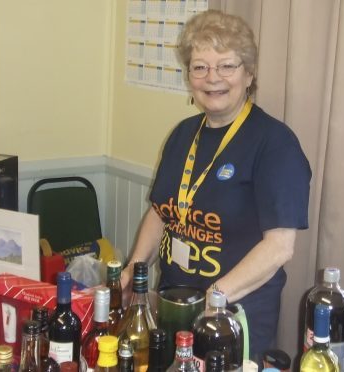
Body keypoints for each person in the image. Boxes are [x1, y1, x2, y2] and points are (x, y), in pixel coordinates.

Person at [121, 9, 311, 360]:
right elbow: (160, 212)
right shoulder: (182, 135)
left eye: (227, 65)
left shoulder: (274, 143)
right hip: (173, 305)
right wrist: (135, 268)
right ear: (189, 76)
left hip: (232, 316)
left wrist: (214, 298)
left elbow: (280, 247)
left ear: (249, 73)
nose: (213, 78)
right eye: (200, 67)